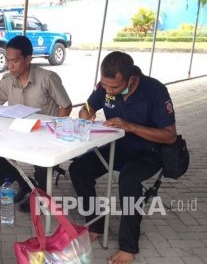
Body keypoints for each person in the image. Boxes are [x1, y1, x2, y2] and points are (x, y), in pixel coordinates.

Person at [68, 51, 177, 264]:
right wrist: (85, 114)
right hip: (115, 147)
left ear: (131, 79)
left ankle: (129, 247)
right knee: (78, 169)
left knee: (128, 179)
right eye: (104, 85)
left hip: (148, 152)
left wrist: (131, 127)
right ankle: (96, 225)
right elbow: (88, 107)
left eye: (114, 88)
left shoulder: (155, 91)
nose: (108, 91)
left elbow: (170, 135)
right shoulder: (106, 87)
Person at [0, 35, 72, 212]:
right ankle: (22, 183)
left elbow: (66, 106)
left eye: (14, 61)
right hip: (18, 131)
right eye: (7, 60)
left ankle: (39, 197)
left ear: (28, 59)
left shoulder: (47, 78)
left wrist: (55, 128)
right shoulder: (7, 80)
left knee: (42, 165)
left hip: (44, 134)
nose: (10, 65)